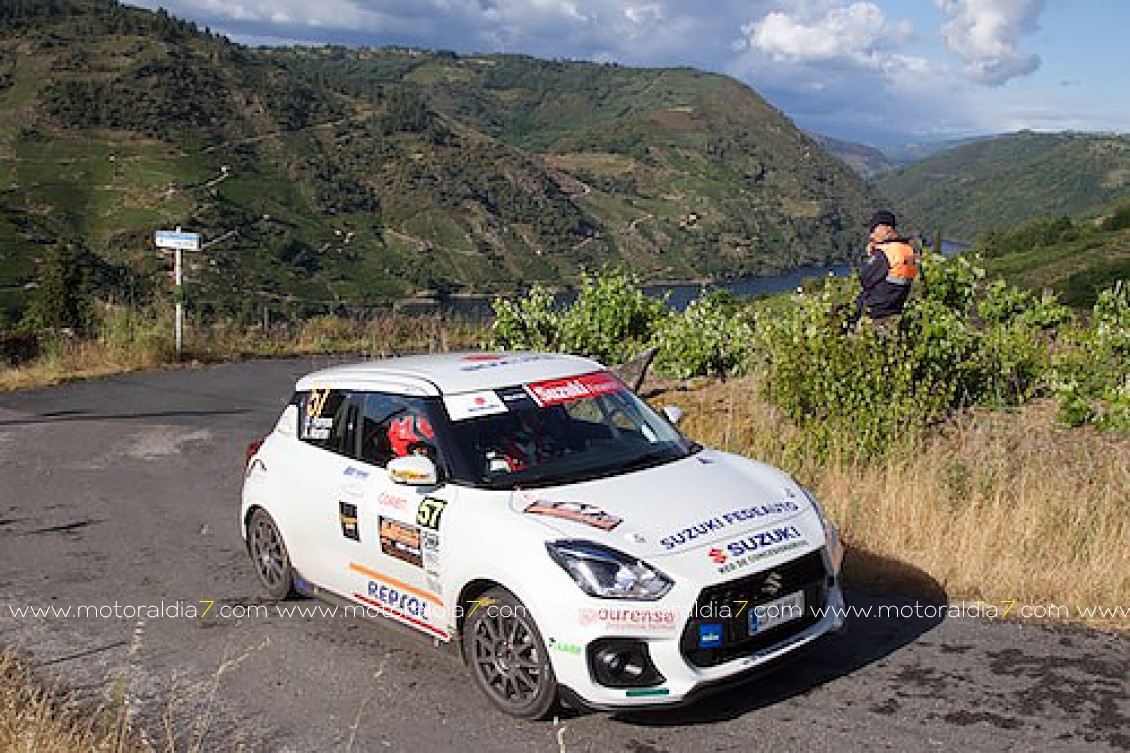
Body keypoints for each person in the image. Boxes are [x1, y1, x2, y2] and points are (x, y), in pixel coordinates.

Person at [855, 210, 920, 330]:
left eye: (873, 231)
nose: (871, 236)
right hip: (896, 310)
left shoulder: (886, 254)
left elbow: (865, 279)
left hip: (876, 315)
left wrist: (872, 255)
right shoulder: (909, 250)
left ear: (885, 230)